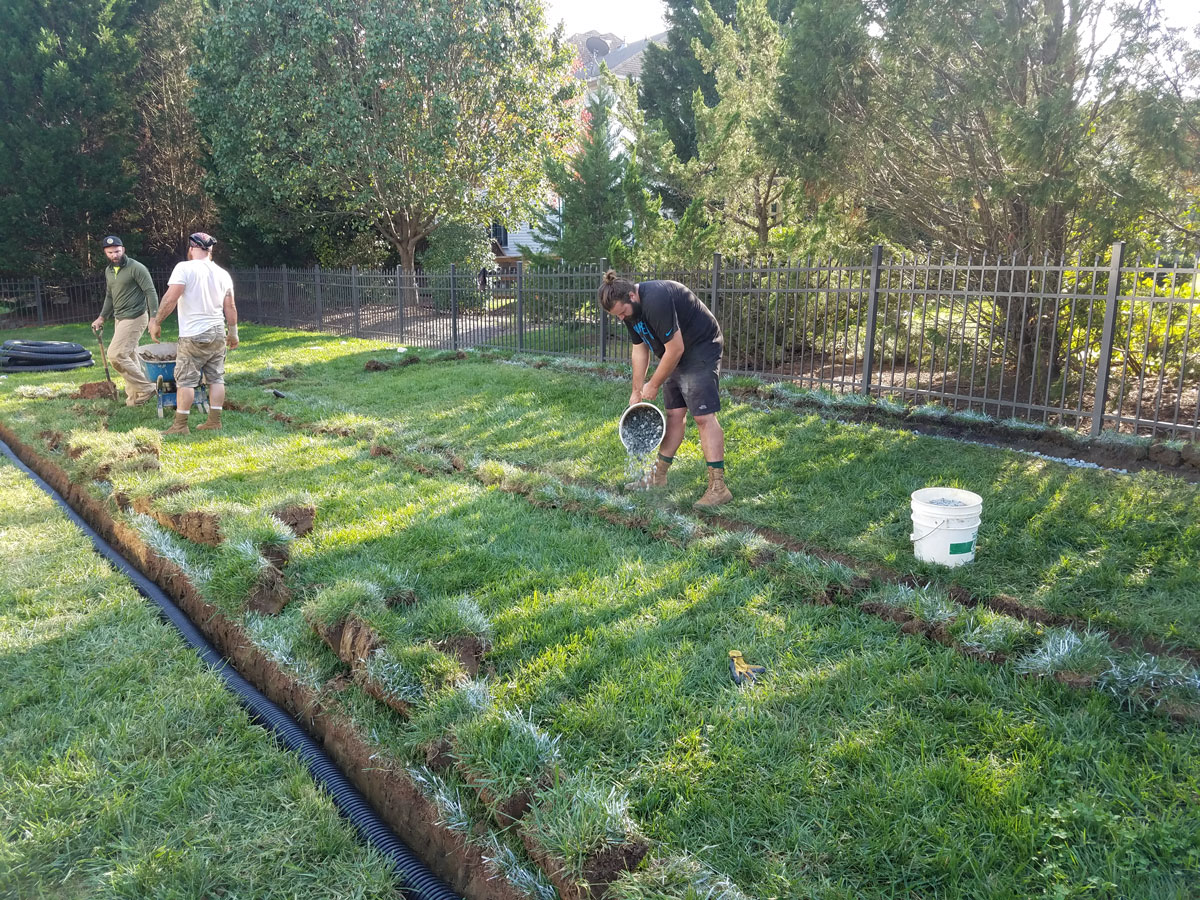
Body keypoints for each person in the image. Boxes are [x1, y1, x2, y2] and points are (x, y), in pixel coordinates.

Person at [597, 270, 732, 508]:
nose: (621, 318)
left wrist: (654, 384)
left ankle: (719, 488)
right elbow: (639, 349)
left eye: (622, 312)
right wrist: (636, 390)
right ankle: (658, 476)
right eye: (617, 316)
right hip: (675, 352)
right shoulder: (629, 311)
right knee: (674, 414)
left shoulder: (656, 299)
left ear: (632, 296)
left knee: (702, 416)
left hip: (700, 347)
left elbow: (676, 349)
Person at [148, 232, 238, 435]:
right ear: (210, 250)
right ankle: (214, 421)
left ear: (191, 248)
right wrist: (233, 333)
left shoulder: (184, 268)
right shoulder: (222, 273)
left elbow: (170, 298)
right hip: (218, 332)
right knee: (216, 378)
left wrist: (156, 322)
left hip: (194, 334)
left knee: (185, 380)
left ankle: (180, 426)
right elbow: (230, 307)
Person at [90, 235, 159, 406]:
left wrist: (154, 318)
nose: (114, 255)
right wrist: (102, 317)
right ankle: (135, 398)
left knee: (116, 354)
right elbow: (110, 296)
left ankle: (147, 388)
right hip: (119, 318)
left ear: (123, 250)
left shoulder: (136, 268)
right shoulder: (109, 271)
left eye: (117, 251)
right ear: (105, 253)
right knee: (129, 356)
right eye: (110, 252)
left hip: (135, 317)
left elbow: (150, 291)